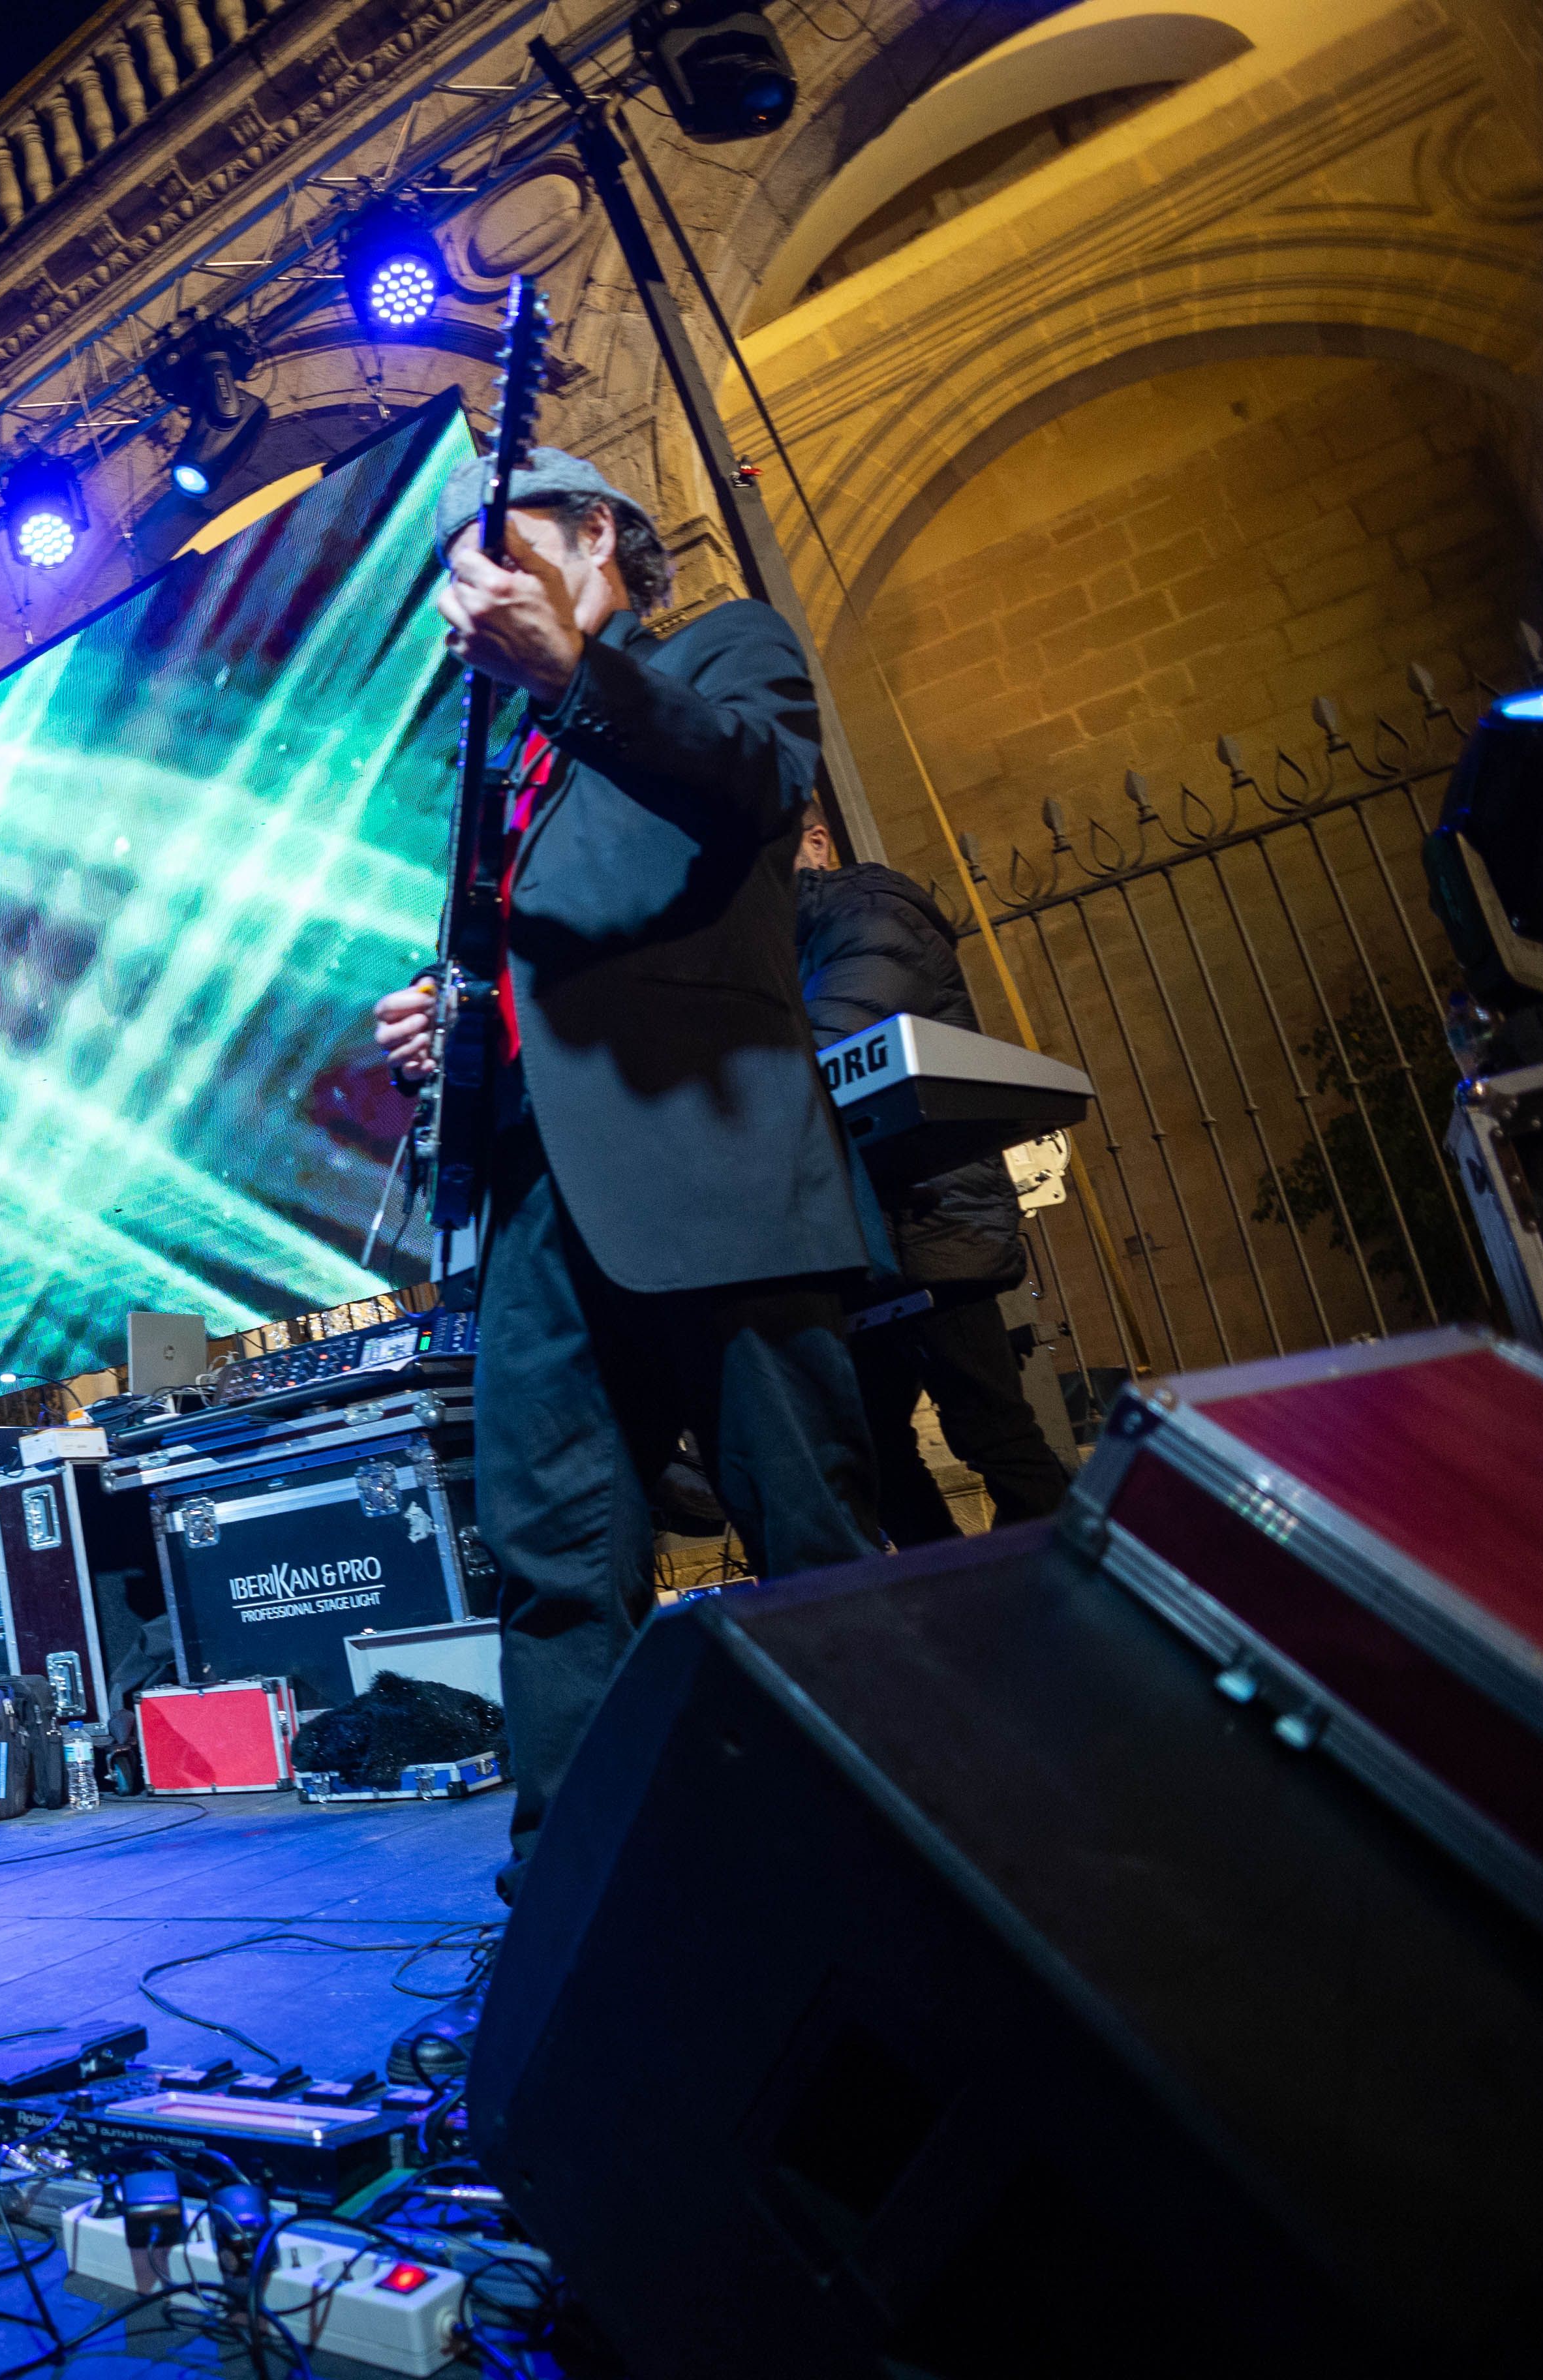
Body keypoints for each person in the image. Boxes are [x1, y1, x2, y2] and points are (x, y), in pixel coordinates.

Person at [371, 448, 879, 1899]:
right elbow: (530, 957)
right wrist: (446, 1011)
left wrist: (577, 671)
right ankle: (573, 1904)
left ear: (599, 532)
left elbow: (750, 772)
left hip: (709, 1172)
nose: (471, 590)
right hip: (540, 1208)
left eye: (500, 546)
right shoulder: (506, 767)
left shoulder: (722, 650)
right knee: (553, 1566)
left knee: (812, 1540)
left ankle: (888, 1850)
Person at [791, 805, 1071, 1542]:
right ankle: (962, 1599)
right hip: (874, 1235)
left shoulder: (870, 913)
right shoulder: (794, 941)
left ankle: (1081, 1582)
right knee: (877, 1453)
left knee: (992, 1432)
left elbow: (827, 1050)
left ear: (815, 842)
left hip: (934, 1224)